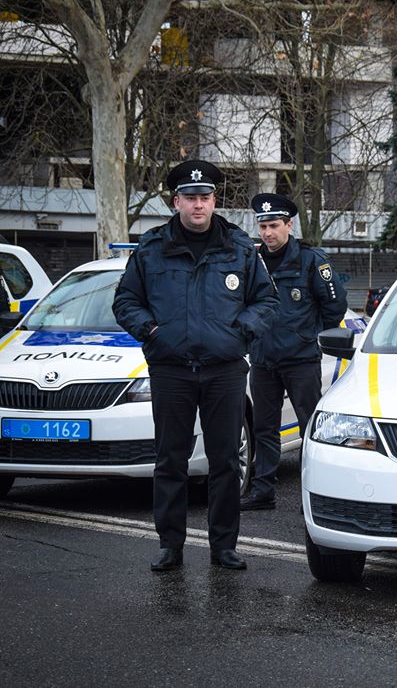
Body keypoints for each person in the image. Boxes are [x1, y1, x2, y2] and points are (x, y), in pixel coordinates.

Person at [113, 160, 279, 572]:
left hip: (224, 369)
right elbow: (125, 302)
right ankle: (171, 545)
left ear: (214, 200)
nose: (198, 205)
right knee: (171, 460)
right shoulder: (151, 248)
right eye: (190, 198)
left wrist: (241, 331)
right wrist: (152, 331)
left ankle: (224, 546)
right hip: (171, 369)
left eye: (204, 197)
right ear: (176, 202)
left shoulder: (240, 247)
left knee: (225, 461)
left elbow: (266, 301)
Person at [240, 194, 347, 511]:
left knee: (309, 428)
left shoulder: (312, 260)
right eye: (263, 226)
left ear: (289, 225)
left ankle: (312, 492)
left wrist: (310, 337)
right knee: (264, 428)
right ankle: (263, 491)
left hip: (300, 360)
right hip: (263, 360)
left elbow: (334, 306)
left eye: (274, 225)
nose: (268, 233)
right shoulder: (252, 262)